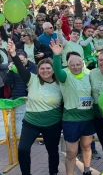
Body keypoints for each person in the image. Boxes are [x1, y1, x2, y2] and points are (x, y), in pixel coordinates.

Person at [7, 41, 62, 175]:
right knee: (23, 150)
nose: (45, 70)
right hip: (31, 123)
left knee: (52, 151)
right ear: (38, 70)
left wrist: (56, 56)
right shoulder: (32, 79)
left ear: (53, 69)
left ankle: (53, 172)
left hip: (52, 124)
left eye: (48, 68)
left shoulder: (61, 83)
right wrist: (13, 54)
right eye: (42, 68)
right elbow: (20, 68)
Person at [50, 40, 94, 175]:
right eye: (72, 65)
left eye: (78, 64)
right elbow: (57, 70)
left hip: (88, 117)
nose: (75, 67)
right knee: (71, 152)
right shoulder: (65, 76)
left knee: (86, 147)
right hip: (71, 119)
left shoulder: (89, 75)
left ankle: (87, 170)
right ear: (68, 66)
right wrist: (56, 55)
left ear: (82, 64)